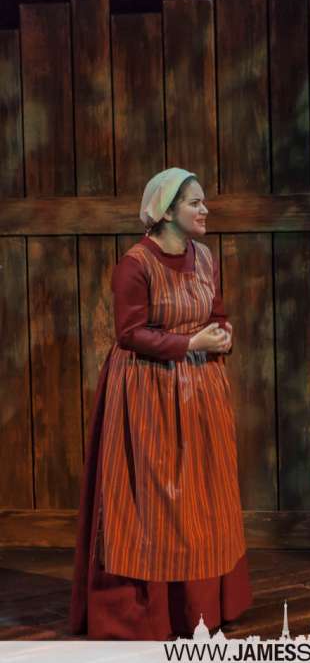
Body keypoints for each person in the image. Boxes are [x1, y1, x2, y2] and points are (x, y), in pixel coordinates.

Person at [69, 168, 251, 639]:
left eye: (203, 202)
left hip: (201, 390)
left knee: (204, 495)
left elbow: (216, 313)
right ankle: (149, 612)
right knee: (154, 501)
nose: (205, 210)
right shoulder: (135, 264)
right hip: (147, 390)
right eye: (194, 203)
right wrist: (190, 343)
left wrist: (222, 336)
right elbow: (130, 334)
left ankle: (201, 607)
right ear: (167, 211)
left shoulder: (204, 257)